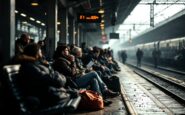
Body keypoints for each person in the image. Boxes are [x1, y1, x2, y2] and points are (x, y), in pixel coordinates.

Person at [17, 43, 77, 108]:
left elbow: (53, 78)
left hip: (48, 93)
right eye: (40, 50)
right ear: (36, 53)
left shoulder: (36, 65)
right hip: (45, 97)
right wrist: (62, 78)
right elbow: (56, 81)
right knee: (75, 93)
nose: (41, 52)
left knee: (75, 93)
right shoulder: (30, 67)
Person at [52, 45, 119, 99]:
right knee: (96, 73)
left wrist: (82, 69)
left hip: (77, 78)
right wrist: (74, 63)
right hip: (73, 82)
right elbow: (73, 72)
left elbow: (80, 68)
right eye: (66, 50)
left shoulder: (76, 59)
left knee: (94, 79)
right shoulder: (63, 61)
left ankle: (100, 98)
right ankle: (106, 90)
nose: (81, 53)